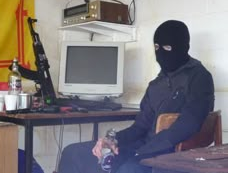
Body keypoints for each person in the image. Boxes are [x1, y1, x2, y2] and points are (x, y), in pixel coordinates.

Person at [58, 20, 214, 173]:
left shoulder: (199, 77)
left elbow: (188, 124)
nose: (160, 52)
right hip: (141, 147)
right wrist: (112, 140)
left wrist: (143, 151)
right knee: (73, 153)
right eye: (157, 47)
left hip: (170, 153)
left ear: (183, 47)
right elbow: (139, 128)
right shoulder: (156, 85)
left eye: (167, 47)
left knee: (128, 168)